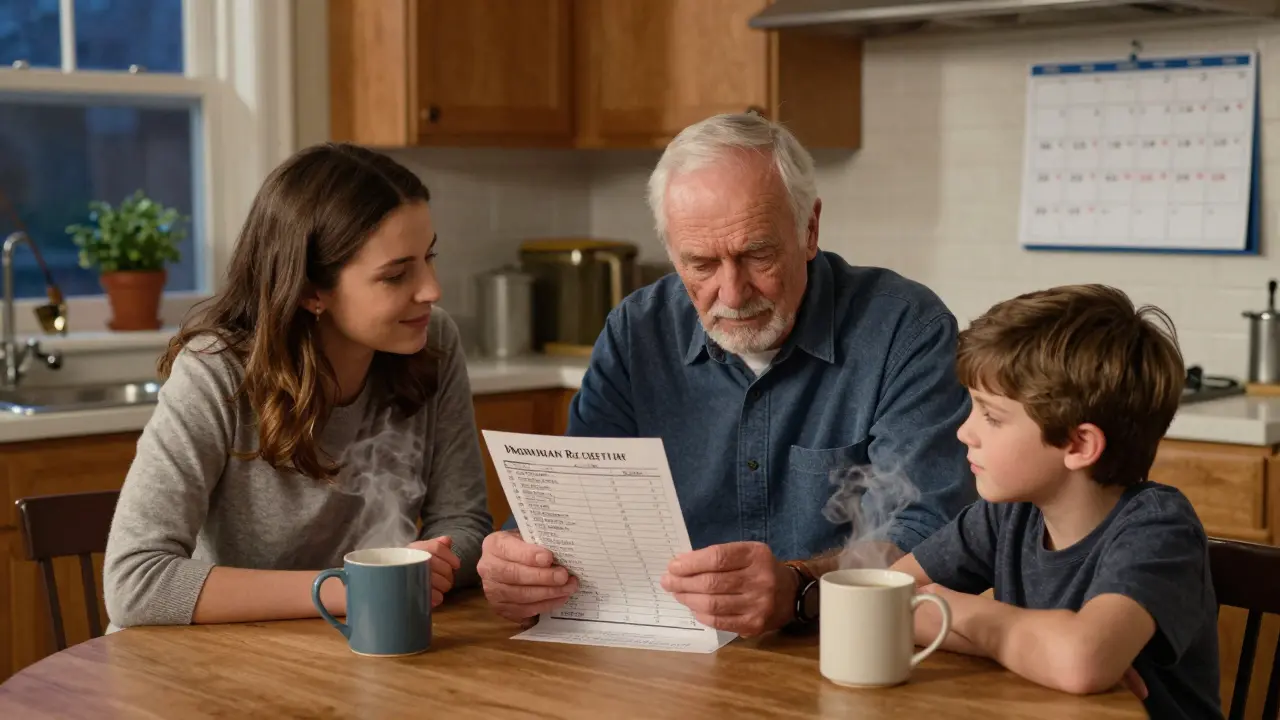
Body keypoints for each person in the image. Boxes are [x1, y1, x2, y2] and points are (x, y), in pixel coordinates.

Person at [478, 112, 975, 636]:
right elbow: (578, 505)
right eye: (700, 264)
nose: (733, 294)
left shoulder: (905, 330)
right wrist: (520, 563)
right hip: (664, 651)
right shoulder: (636, 330)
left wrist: (801, 587)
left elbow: (930, 531)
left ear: (809, 230)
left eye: (757, 255)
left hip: (844, 644)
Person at [103, 143, 492, 628]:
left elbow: (466, 524)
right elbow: (136, 583)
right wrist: (354, 586)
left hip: (345, 648)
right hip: (203, 664)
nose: (431, 289)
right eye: (396, 275)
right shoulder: (216, 372)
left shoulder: (433, 341)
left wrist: (426, 566)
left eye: (429, 257)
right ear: (311, 291)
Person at [890, 284, 1221, 719]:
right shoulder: (1006, 516)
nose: (964, 432)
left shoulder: (1159, 530)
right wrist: (1041, 654)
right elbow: (889, 599)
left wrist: (1060, 653)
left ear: (1078, 444)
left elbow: (1081, 662)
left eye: (990, 415)